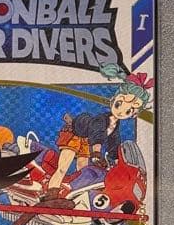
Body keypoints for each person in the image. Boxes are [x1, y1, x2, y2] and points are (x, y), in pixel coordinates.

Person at [46, 64, 152, 192]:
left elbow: (114, 143)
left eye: (129, 111)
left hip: (86, 140)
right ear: (113, 100)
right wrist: (96, 154)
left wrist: (117, 162)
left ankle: (74, 195)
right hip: (74, 135)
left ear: (134, 114)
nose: (121, 111)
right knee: (63, 168)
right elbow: (97, 133)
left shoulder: (115, 126)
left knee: (83, 172)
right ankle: (51, 194)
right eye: (119, 104)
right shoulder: (101, 119)